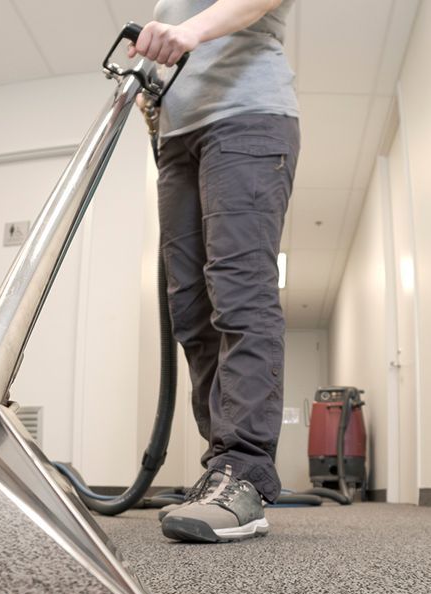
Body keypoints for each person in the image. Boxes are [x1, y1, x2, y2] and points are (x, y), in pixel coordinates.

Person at [129, 0, 299, 543]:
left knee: (238, 291)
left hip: (247, 116)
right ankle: (221, 467)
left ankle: (244, 472)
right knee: (191, 309)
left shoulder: (189, 23)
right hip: (178, 140)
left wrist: (188, 32)